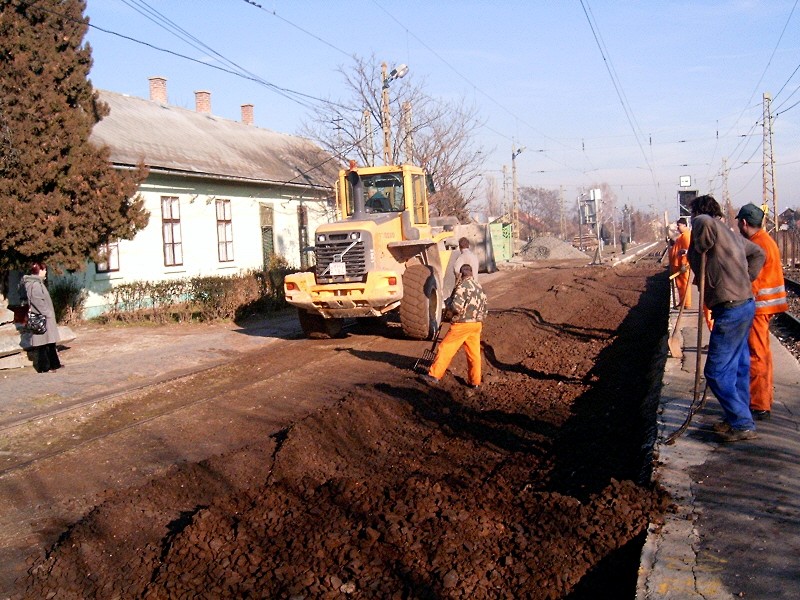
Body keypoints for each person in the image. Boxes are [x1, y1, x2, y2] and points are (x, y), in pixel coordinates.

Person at [687, 195, 764, 442]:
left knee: (716, 371)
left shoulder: (705, 223)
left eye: (692, 214)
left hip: (731, 308)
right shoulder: (730, 234)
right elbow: (758, 253)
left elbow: (703, 221)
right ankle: (737, 417)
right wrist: (744, 280)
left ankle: (742, 423)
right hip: (743, 304)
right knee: (738, 367)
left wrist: (699, 230)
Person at [735, 203, 788, 420]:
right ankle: (764, 398)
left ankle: (759, 404)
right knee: (763, 353)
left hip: (759, 306)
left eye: (739, 223)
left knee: (756, 355)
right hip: (766, 305)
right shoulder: (766, 240)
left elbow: (751, 278)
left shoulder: (757, 244)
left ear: (744, 222)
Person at [420, 263, 487, 391]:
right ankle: (475, 382)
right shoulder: (479, 286)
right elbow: (485, 309)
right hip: (476, 325)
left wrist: (448, 305)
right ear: (471, 273)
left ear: (461, 274)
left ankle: (434, 375)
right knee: (474, 354)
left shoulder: (462, 286)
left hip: (462, 325)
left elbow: (456, 307)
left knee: (445, 348)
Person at [20, 262, 62, 373]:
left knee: (50, 342)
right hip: (42, 318)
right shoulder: (35, 284)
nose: (46, 272)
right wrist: (47, 313)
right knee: (43, 344)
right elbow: (37, 301)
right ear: (39, 271)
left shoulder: (37, 282)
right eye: (44, 270)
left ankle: (54, 364)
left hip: (44, 317)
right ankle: (44, 367)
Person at [669, 218, 692, 309]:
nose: (678, 227)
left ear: (684, 225)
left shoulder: (686, 236)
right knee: (680, 285)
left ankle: (686, 303)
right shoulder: (682, 236)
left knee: (684, 284)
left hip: (682, 265)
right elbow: (678, 246)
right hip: (677, 264)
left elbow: (686, 251)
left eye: (679, 225)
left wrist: (683, 264)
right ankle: (682, 302)